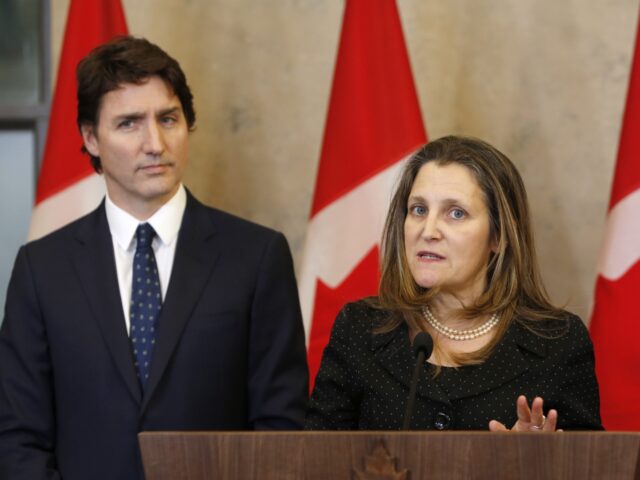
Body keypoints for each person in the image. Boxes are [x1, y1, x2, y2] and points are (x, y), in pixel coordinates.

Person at [0, 36, 308, 480]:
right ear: (91, 138)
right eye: (129, 123)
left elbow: (281, 430)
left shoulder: (257, 258)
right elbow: (17, 439)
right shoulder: (42, 269)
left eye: (168, 119)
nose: (155, 143)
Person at [306, 135, 602, 431]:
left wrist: (537, 466)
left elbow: (596, 468)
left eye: (456, 213)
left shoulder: (557, 343)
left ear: (498, 237)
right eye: (419, 210)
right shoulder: (359, 328)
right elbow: (312, 461)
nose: (429, 230)